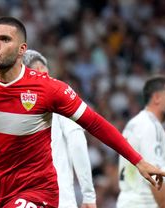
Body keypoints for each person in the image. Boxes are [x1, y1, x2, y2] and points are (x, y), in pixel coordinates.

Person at [0, 16, 165, 208]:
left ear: (21, 49)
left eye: (5, 39)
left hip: (36, 191)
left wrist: (138, 160)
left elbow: (95, 124)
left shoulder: (48, 89)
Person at [22, 49, 96, 208]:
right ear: (43, 71)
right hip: (58, 199)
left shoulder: (7, 108)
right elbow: (77, 143)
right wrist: (88, 194)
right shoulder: (58, 97)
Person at [117, 75, 165, 208]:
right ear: (157, 97)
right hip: (144, 204)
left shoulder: (134, 123)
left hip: (127, 201)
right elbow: (157, 180)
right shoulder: (152, 127)